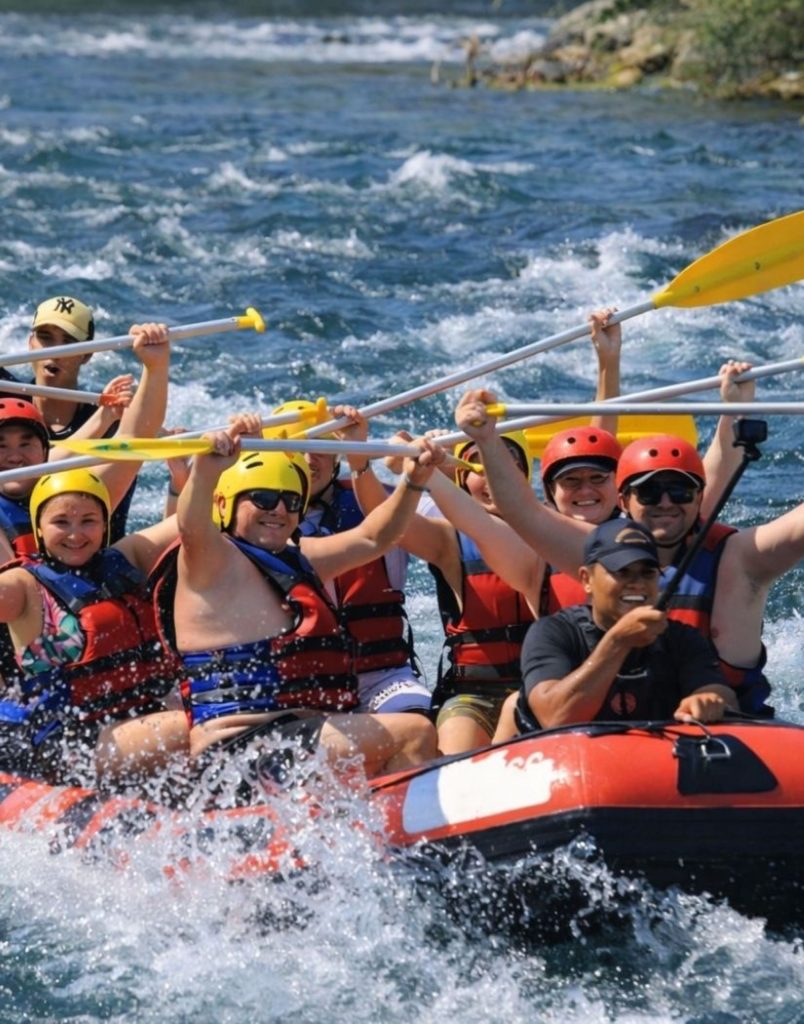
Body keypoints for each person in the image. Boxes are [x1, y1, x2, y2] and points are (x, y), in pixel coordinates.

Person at [456, 394, 804, 716]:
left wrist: (735, 408)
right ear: (623, 501)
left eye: (680, 490)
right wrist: (486, 439)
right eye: (650, 492)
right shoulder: (592, 553)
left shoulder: (737, 559)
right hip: (604, 731)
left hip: (728, 738)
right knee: (514, 707)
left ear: (700, 498)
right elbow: (522, 511)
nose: (666, 502)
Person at [153, 413, 438, 781]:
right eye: (263, 498)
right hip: (238, 751)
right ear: (225, 504)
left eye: (290, 501)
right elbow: (190, 524)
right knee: (414, 733)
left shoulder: (298, 560)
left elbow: (373, 538)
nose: (279, 510)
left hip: (290, 739)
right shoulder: (211, 559)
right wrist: (207, 469)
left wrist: (413, 482)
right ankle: (405, 836)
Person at [0, 468, 184, 785]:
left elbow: (193, 520)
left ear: (104, 525)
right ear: (39, 529)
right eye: (61, 522)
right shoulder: (22, 585)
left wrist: (212, 465)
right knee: (197, 724)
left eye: (88, 521)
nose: (76, 534)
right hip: (71, 741)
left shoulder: (127, 557)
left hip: (140, 717)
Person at [270, 398, 431, 717]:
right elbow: (194, 542)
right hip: (303, 683)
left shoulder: (384, 502)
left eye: (319, 448)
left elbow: (404, 515)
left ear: (336, 458)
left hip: (383, 679)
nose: (308, 459)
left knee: (414, 719)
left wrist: (363, 457)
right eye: (295, 449)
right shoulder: (257, 517)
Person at [516, 519, 737, 732]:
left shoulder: (683, 637)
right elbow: (555, 717)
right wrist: (617, 642)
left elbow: (720, 694)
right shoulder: (551, 633)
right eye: (622, 572)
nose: (637, 583)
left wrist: (708, 701)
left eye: (647, 573)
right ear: (586, 579)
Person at [2, 296, 143, 540]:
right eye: (45, 338)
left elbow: (147, 430)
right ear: (30, 343)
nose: (55, 351)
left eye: (68, 342)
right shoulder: (6, 399)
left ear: (86, 354)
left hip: (92, 554)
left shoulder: (113, 419)